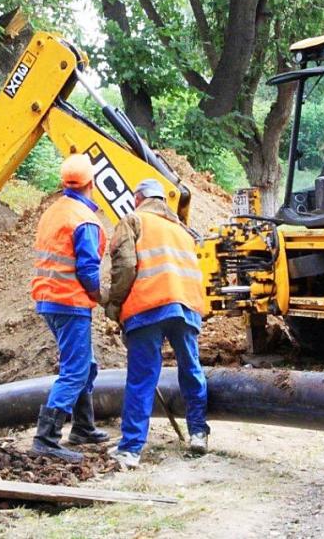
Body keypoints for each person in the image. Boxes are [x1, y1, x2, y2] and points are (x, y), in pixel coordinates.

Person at [105, 178, 209, 469]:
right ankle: (198, 433)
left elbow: (124, 266)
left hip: (147, 307)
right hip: (186, 307)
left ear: (138, 198)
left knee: (142, 379)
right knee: (191, 370)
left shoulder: (134, 220)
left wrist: (114, 305)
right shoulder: (183, 231)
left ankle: (130, 450)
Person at [29, 154, 110, 463]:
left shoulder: (53, 212)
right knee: (75, 370)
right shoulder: (85, 219)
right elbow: (89, 270)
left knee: (85, 364)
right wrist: (100, 296)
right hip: (70, 301)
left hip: (49, 298)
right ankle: (46, 437)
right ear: (92, 183)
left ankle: (83, 428)